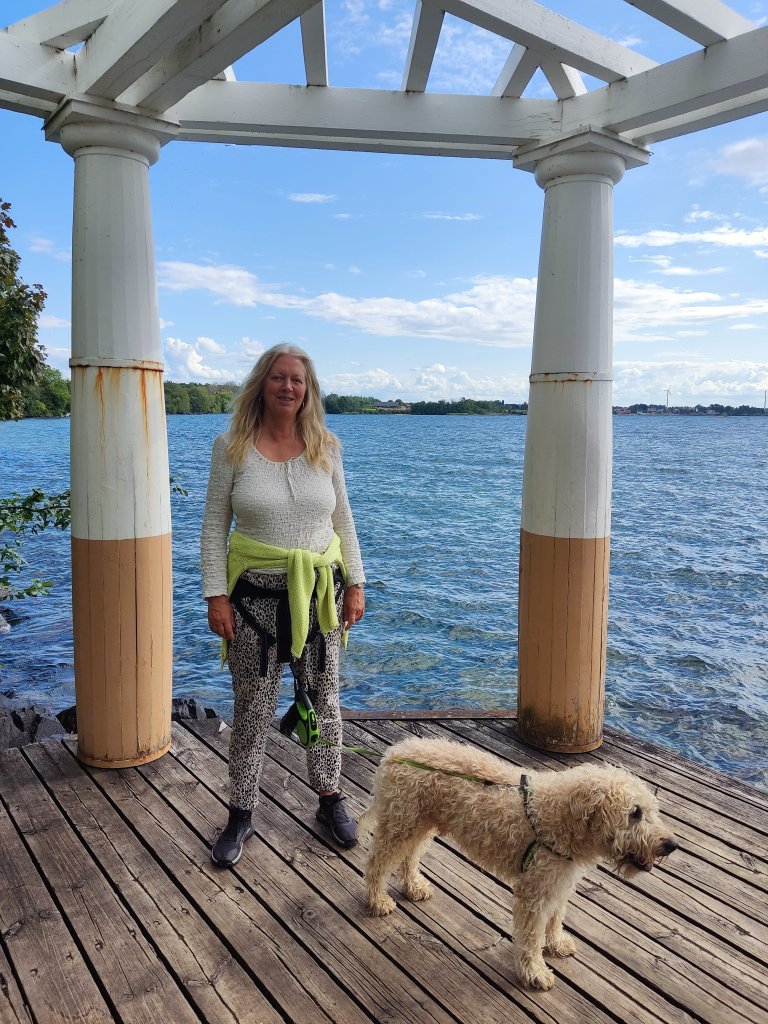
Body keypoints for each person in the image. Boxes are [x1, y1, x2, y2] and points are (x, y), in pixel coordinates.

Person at [200, 343, 366, 867]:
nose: (288, 387)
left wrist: (356, 584)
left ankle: (329, 798)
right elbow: (212, 527)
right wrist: (216, 596)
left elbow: (343, 521)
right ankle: (241, 811)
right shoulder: (231, 447)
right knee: (252, 707)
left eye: (297, 379)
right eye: (278, 377)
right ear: (261, 384)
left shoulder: (327, 447)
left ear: (308, 389)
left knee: (325, 701)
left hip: (320, 596)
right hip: (253, 601)